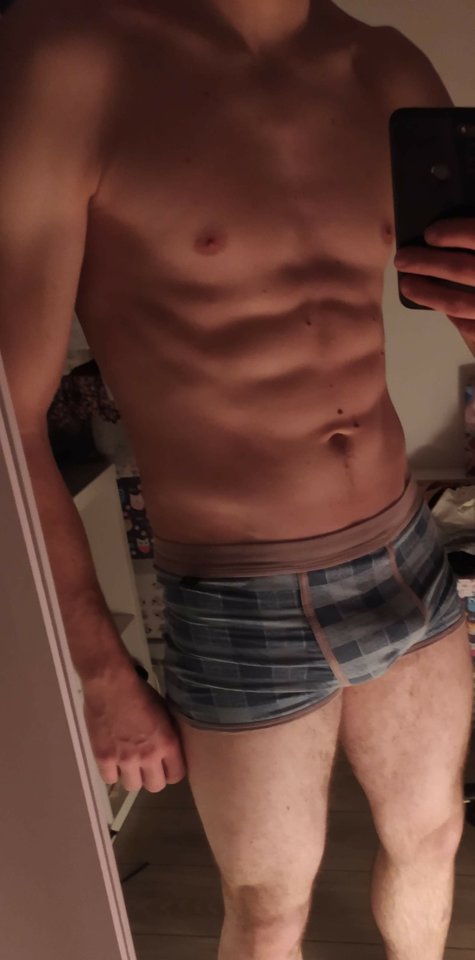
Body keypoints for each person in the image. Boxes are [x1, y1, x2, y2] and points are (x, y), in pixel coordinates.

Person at [1, 1, 474, 958]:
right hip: (237, 593)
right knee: (267, 910)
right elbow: (9, 419)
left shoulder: (381, 66)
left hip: (409, 553)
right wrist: (98, 667)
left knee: (433, 836)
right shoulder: (72, 57)